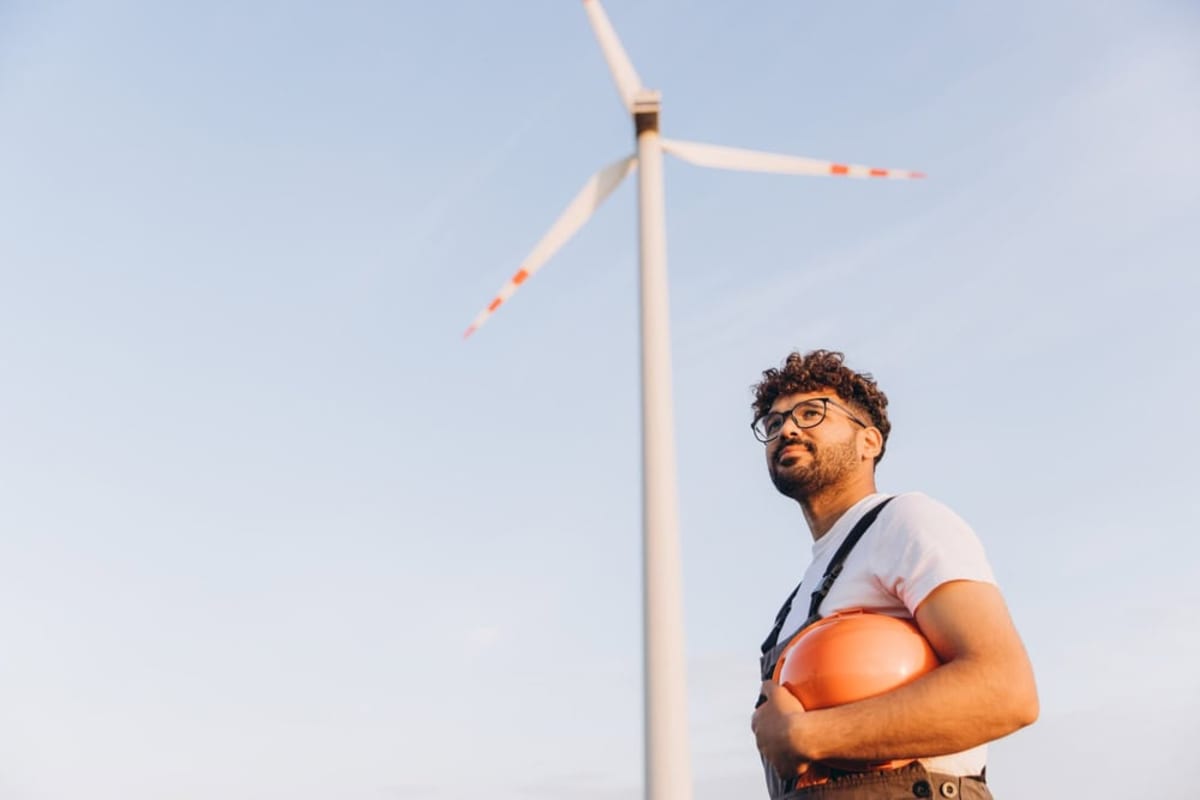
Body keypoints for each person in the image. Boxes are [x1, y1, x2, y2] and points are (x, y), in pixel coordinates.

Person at [748, 350, 1038, 799]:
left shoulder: (905, 520)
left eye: (811, 413)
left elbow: (1005, 691)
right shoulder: (799, 596)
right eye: (773, 423)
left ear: (870, 442)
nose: (786, 429)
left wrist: (807, 737)